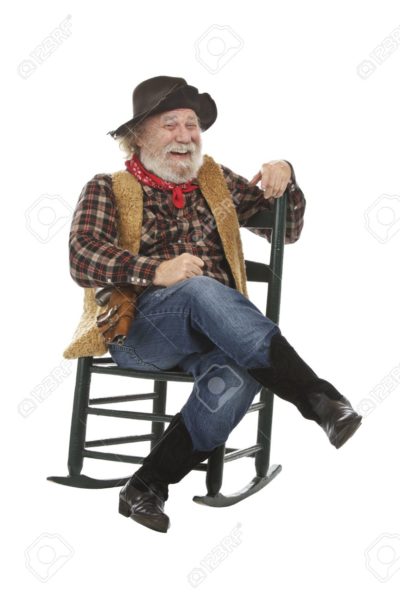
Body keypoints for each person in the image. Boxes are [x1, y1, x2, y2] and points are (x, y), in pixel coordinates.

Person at [68, 75, 362, 534]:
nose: (185, 136)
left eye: (192, 125)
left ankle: (145, 486)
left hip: (220, 335)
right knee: (198, 288)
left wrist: (286, 174)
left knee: (239, 374)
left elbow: (286, 230)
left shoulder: (215, 181)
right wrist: (155, 270)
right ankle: (317, 398)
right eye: (170, 125)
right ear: (139, 135)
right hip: (142, 334)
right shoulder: (107, 187)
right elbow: (82, 255)